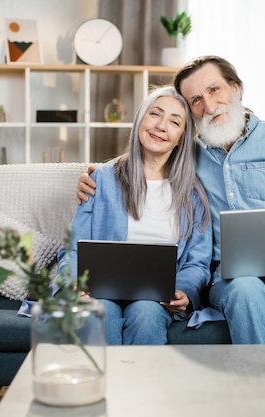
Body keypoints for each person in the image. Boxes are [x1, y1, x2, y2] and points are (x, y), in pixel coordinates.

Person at [77, 56, 265, 344]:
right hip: (233, 279)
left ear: (236, 89)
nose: (209, 105)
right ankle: (264, 390)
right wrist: (97, 174)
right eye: (195, 100)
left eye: (214, 90)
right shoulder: (188, 154)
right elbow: (150, 152)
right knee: (246, 291)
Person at [60, 85, 212, 345]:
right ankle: (104, 386)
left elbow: (197, 262)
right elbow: (73, 249)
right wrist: (73, 284)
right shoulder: (100, 179)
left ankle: (141, 386)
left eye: (174, 122)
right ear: (141, 119)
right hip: (98, 292)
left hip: (155, 298)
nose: (161, 126)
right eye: (155, 114)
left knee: (146, 313)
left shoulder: (193, 194)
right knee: (100, 312)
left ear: (182, 138)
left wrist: (184, 292)